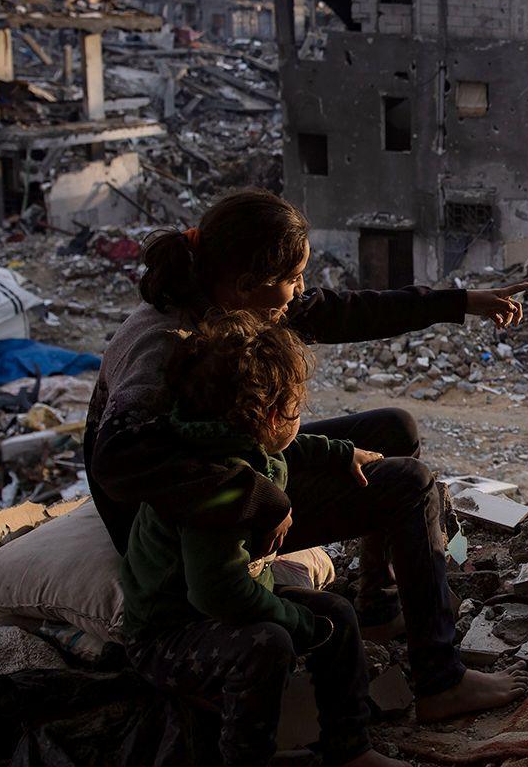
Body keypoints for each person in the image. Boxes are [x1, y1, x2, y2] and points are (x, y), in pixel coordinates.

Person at [87, 189, 528, 722]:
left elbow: (344, 312)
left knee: (393, 429)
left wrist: (459, 303)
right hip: (181, 515)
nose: (300, 292)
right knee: (411, 484)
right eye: (293, 278)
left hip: (224, 463)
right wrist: (260, 498)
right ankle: (441, 679)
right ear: (246, 283)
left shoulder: (230, 298)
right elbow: (119, 463)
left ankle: (377, 606)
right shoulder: (163, 341)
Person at [121, 313, 417, 767]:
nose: (300, 419)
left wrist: (342, 453)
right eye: (297, 410)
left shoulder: (231, 440)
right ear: (274, 414)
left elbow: (285, 449)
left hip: (222, 602)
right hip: (172, 634)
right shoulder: (212, 489)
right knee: (270, 643)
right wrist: (297, 623)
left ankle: (351, 748)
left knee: (336, 612)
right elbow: (217, 593)